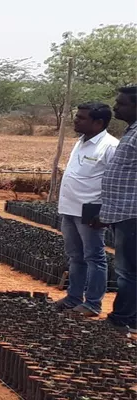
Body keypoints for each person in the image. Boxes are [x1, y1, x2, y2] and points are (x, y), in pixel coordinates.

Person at [53, 102, 118, 317]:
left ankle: (92, 304)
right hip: (69, 208)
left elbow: (115, 182)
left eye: (81, 117)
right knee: (75, 256)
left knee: (94, 258)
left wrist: (105, 212)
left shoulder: (109, 147)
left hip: (90, 212)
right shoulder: (81, 142)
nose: (76, 120)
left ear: (98, 122)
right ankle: (73, 297)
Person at [101, 85, 137, 333]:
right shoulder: (131, 131)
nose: (115, 107)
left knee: (128, 271)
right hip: (122, 212)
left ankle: (121, 319)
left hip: (132, 214)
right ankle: (131, 319)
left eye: (121, 103)